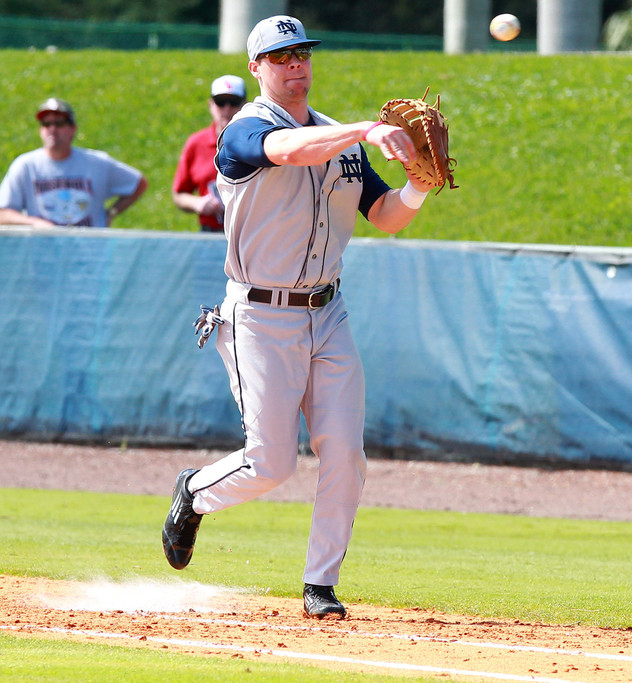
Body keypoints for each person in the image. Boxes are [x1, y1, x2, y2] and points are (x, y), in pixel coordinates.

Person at [162, 15, 438, 620]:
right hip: (260, 316)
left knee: (345, 454)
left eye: (302, 53)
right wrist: (365, 130)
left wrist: (419, 185)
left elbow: (384, 215)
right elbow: (285, 150)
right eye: (280, 56)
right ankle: (194, 492)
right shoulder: (242, 130)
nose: (295, 65)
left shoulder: (339, 138)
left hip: (328, 313)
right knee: (271, 463)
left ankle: (320, 584)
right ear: (257, 68)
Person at [0, 98, 147, 228]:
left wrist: (111, 213)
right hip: (44, 254)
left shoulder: (97, 163)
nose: (52, 129)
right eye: (46, 124)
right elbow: (2, 215)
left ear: (72, 129)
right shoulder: (26, 165)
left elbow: (139, 183)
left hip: (89, 252)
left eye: (59, 124)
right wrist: (33, 223)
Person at [171, 75, 247, 232]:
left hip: (250, 233)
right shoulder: (196, 143)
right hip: (211, 233)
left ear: (245, 106)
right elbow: (179, 194)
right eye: (220, 102)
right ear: (211, 105)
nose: (226, 109)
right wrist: (198, 203)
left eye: (233, 103)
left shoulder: (258, 142)